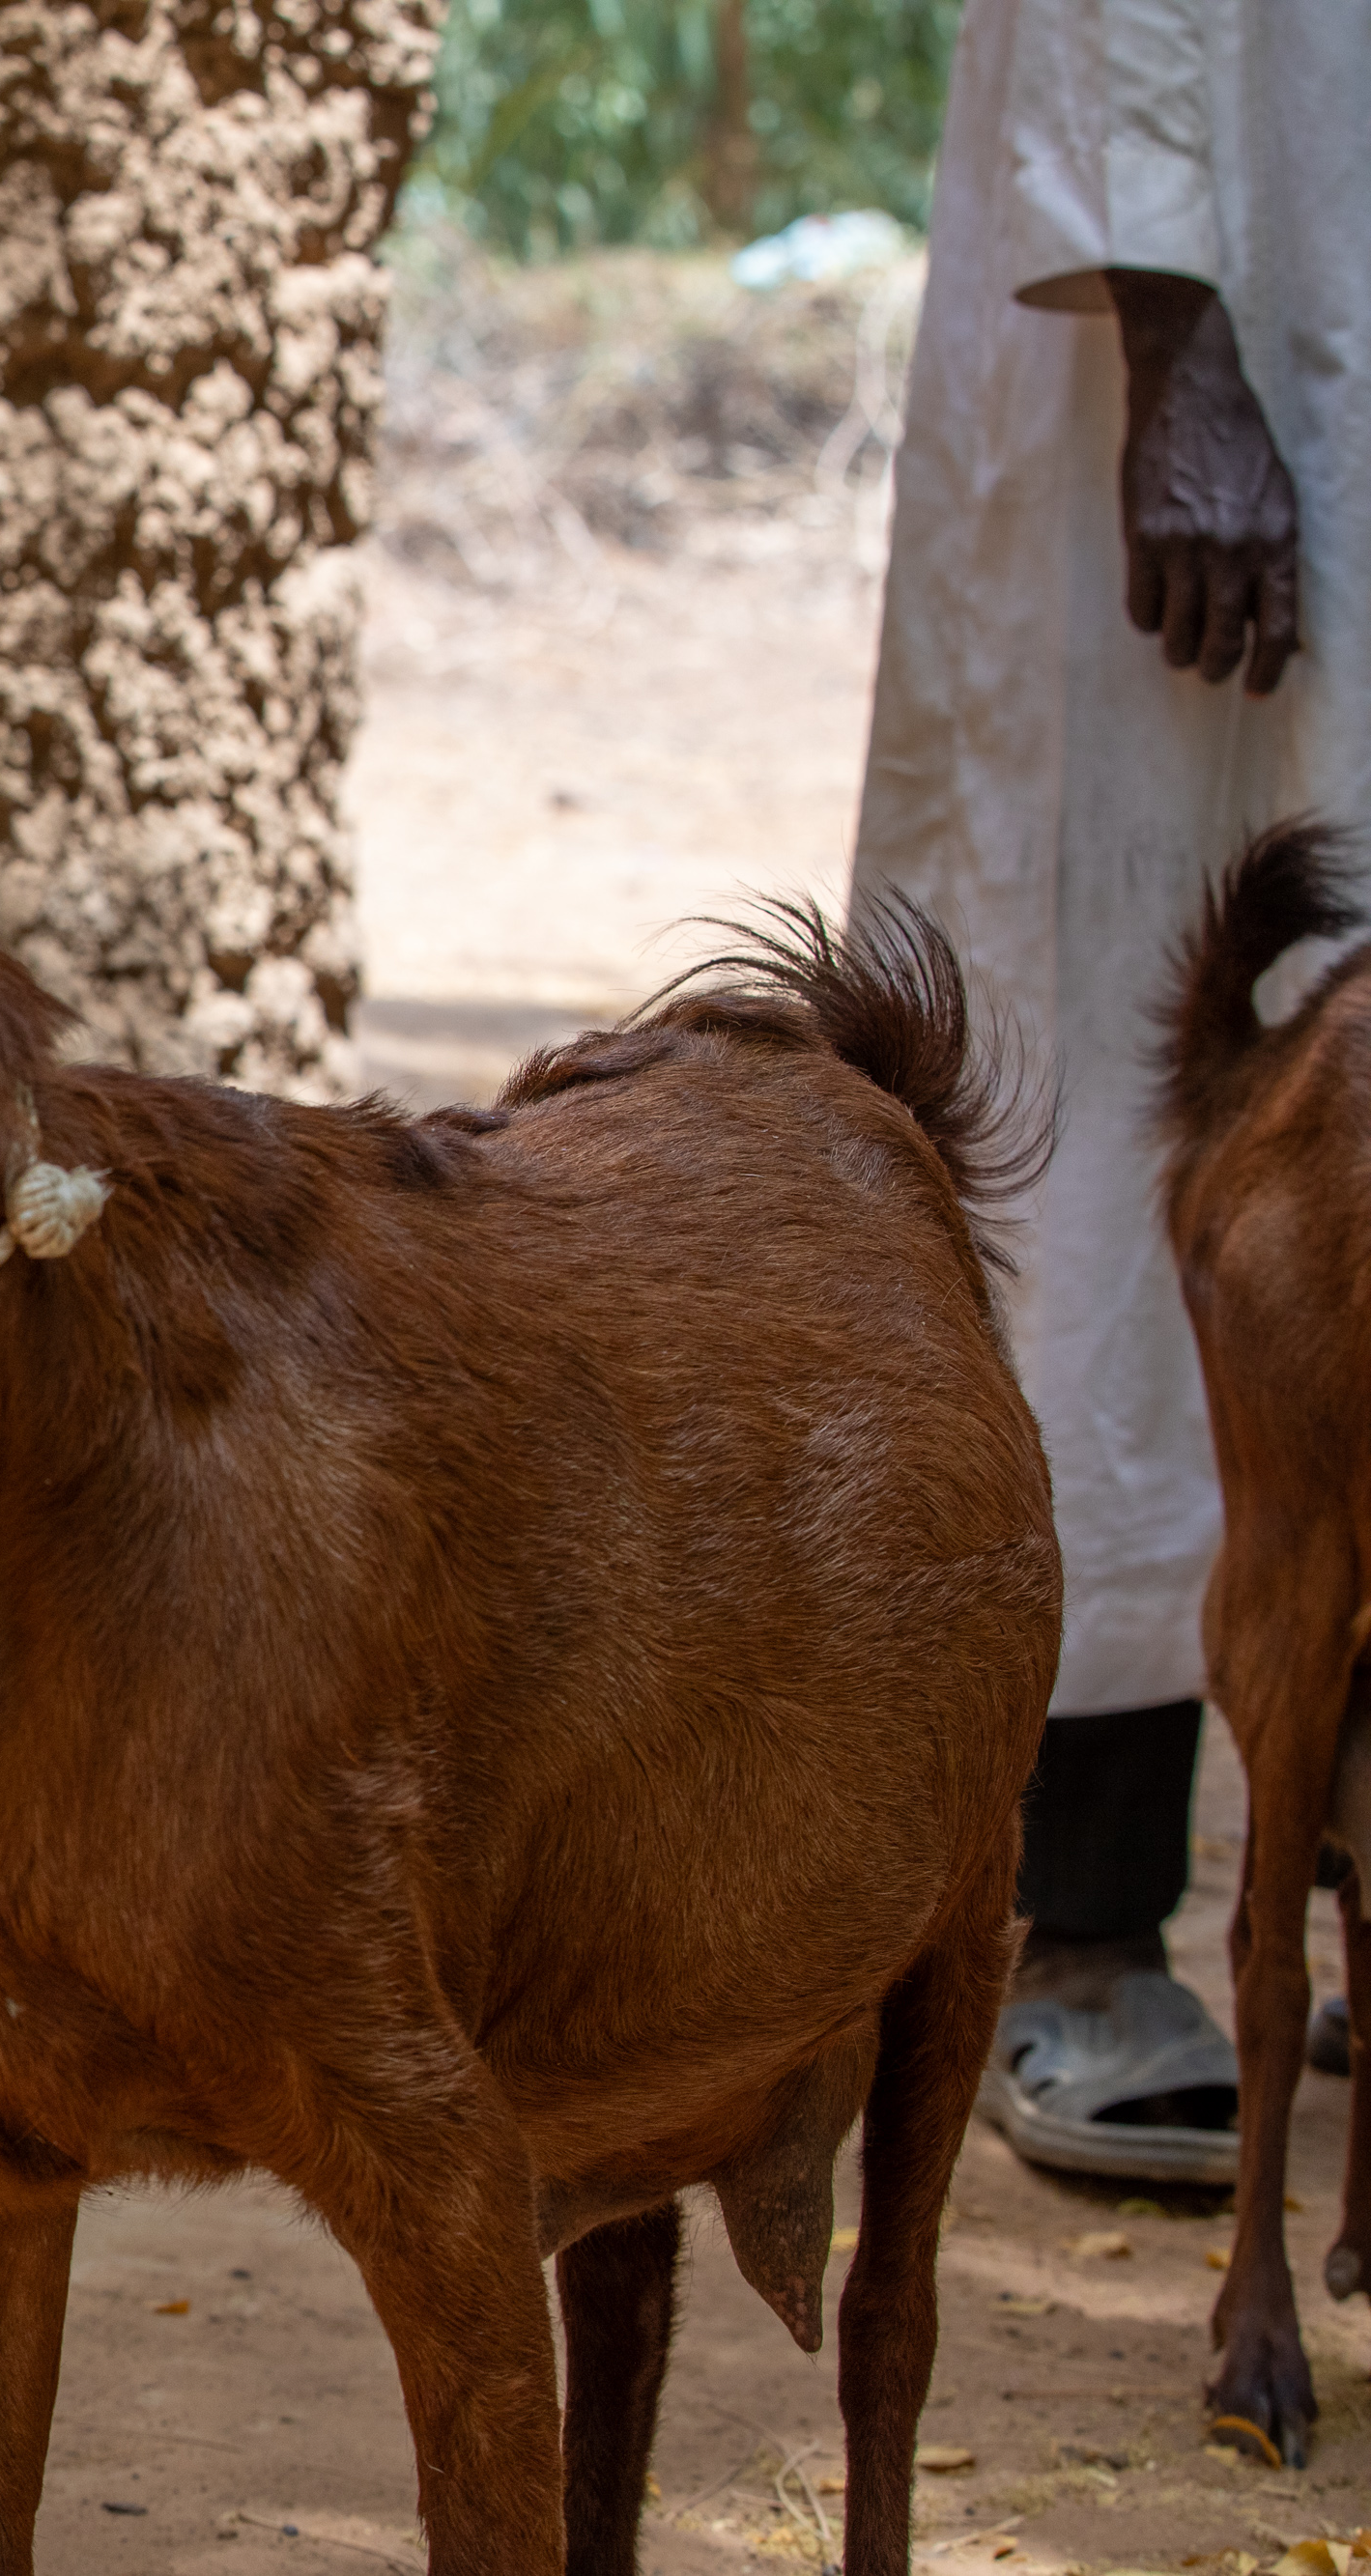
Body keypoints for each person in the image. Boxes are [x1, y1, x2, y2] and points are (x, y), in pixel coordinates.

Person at [851, 0, 1364, 2184]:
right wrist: (1166, 331)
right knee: (1124, 1087)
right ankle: (1075, 1919)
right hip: (1197, 343)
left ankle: (1329, 1901)